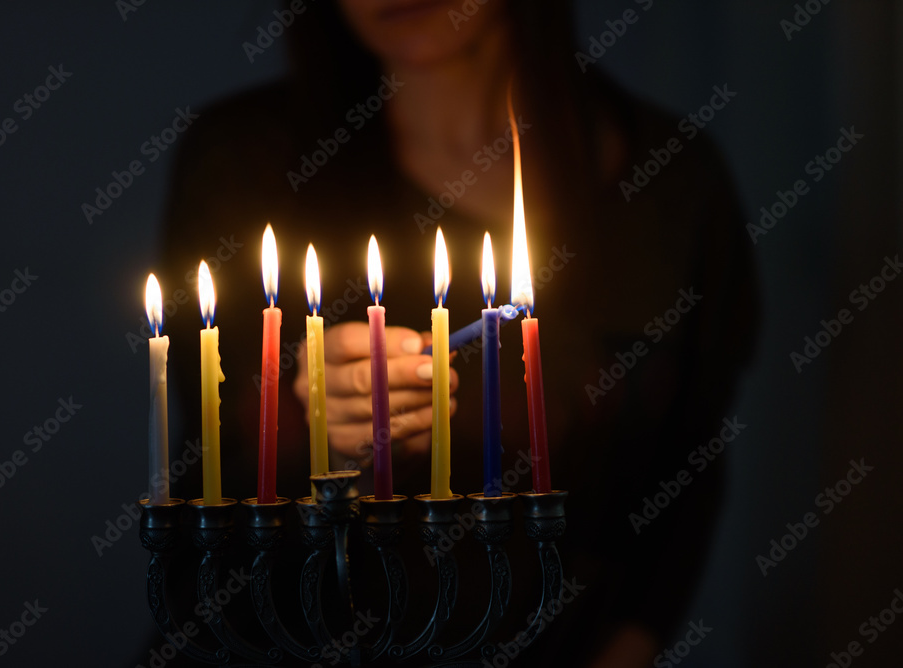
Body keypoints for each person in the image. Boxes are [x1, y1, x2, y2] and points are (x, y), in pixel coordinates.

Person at [151, 1, 758, 665]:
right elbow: (210, 478)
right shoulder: (245, 161)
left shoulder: (673, 182)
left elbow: (687, 475)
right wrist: (316, 430)